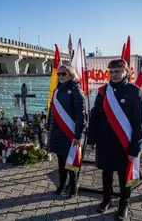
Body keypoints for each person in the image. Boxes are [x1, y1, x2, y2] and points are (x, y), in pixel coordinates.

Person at [88, 59, 142, 220]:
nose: (113, 75)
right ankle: (107, 200)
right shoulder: (103, 91)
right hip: (105, 140)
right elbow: (95, 115)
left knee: (123, 175)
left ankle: (123, 204)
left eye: (117, 71)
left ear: (127, 72)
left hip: (123, 142)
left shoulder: (135, 92)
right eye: (111, 72)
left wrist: (135, 148)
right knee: (106, 172)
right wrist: (92, 139)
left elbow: (139, 124)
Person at [46, 65, 86, 198]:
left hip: (70, 132)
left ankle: (73, 186)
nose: (61, 76)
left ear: (71, 75)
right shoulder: (56, 90)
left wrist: (78, 135)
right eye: (59, 74)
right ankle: (62, 184)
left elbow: (81, 116)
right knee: (61, 161)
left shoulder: (76, 90)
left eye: (64, 74)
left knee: (71, 161)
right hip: (57, 131)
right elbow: (52, 112)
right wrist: (48, 129)